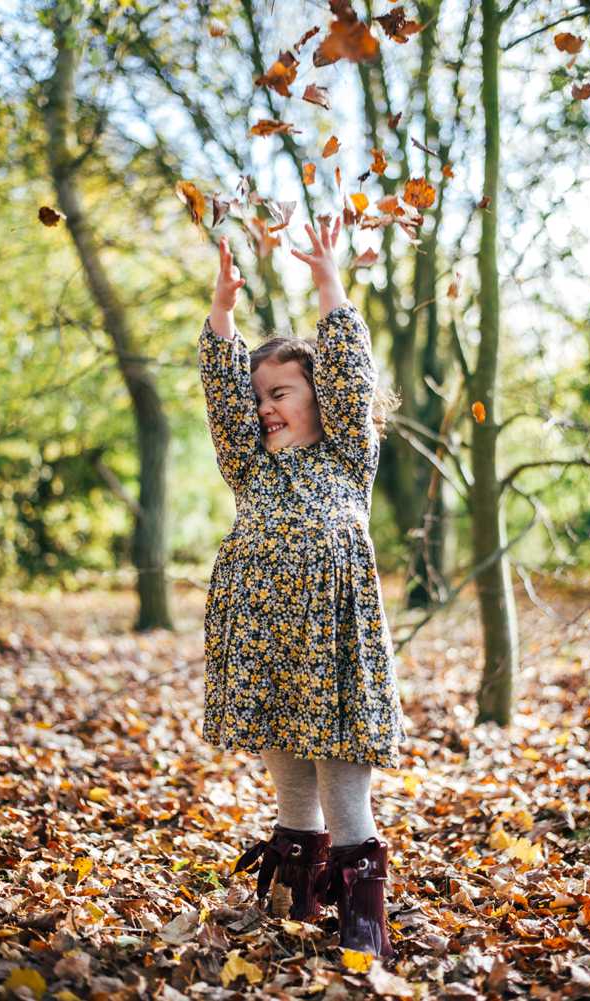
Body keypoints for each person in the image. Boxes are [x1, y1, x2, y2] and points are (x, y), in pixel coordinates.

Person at [200, 219, 405, 958]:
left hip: (335, 629)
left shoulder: (348, 455)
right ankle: (297, 884)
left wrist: (329, 286)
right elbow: (224, 399)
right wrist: (223, 313)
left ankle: (361, 902)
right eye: (260, 399)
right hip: (262, 629)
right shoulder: (249, 466)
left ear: (321, 398)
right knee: (287, 761)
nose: (265, 408)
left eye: (281, 392)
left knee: (340, 765)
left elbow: (351, 375)